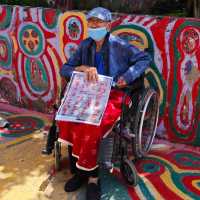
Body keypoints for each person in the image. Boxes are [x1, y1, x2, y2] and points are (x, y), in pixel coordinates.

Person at [58, 7, 151, 200]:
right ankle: (80, 171)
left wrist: (127, 76)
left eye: (98, 23)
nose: (94, 26)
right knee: (69, 118)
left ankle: (92, 178)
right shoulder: (86, 45)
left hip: (114, 94)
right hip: (89, 94)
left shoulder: (119, 45)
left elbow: (144, 58)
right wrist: (82, 68)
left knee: (92, 125)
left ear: (108, 25)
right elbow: (65, 69)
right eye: (91, 23)